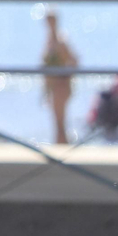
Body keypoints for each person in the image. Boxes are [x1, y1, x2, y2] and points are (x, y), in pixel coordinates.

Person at [41, 11, 79, 146]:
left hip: (60, 87)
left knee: (60, 121)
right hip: (53, 87)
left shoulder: (61, 40)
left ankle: (63, 146)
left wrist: (64, 76)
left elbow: (74, 61)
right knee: (57, 120)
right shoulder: (50, 40)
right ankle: (60, 145)